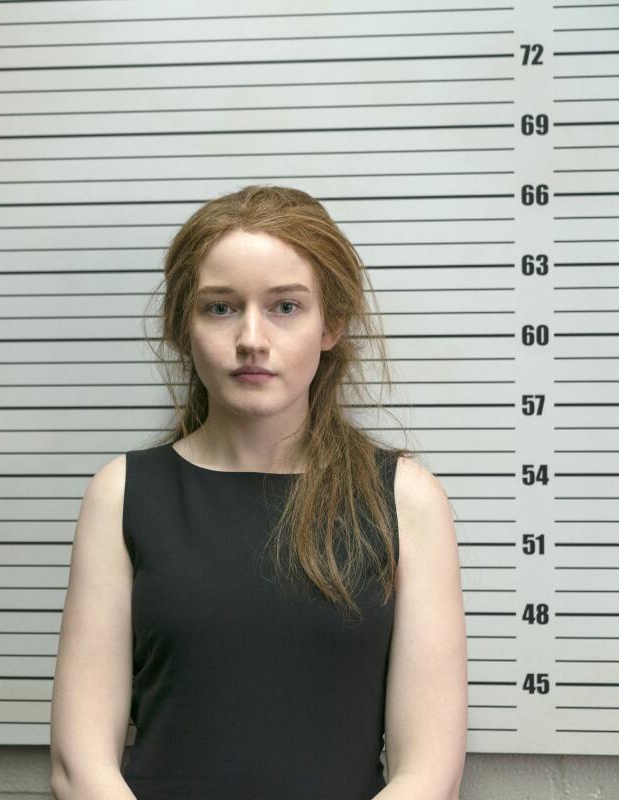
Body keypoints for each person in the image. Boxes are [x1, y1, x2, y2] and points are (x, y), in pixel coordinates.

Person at [48, 185, 467, 800]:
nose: (250, 338)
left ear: (333, 324)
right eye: (220, 307)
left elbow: (430, 773)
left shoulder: (405, 499)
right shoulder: (121, 495)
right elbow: (79, 764)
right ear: (182, 326)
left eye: (285, 307)